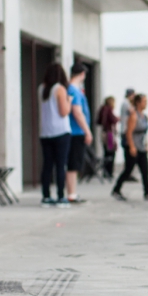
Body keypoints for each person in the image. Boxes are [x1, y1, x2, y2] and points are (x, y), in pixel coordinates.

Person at [112, 93, 148, 201]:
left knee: (145, 171)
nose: (146, 103)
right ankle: (116, 189)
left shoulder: (145, 117)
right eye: (144, 101)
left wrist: (146, 145)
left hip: (141, 147)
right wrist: (132, 147)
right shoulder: (133, 115)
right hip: (132, 147)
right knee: (128, 170)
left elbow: (144, 133)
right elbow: (129, 133)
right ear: (138, 103)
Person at [38, 62, 72, 208]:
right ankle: (60, 196)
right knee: (60, 165)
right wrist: (69, 102)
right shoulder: (60, 89)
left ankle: (46, 196)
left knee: (47, 165)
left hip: (45, 132)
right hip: (60, 132)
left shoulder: (41, 88)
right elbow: (63, 112)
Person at [65, 63, 93, 204]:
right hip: (76, 132)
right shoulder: (74, 91)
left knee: (73, 164)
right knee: (73, 164)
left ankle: (72, 192)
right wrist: (87, 131)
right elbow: (77, 112)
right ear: (82, 74)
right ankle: (72, 193)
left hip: (75, 131)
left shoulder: (72, 89)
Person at [97, 96, 118, 178]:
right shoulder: (108, 109)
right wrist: (117, 118)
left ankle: (106, 171)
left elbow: (98, 121)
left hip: (104, 132)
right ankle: (109, 171)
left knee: (106, 152)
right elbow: (113, 119)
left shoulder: (102, 109)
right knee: (111, 152)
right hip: (108, 133)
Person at [118, 87, 136, 182]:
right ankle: (127, 172)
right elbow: (132, 111)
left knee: (128, 155)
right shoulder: (126, 103)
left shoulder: (125, 103)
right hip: (126, 130)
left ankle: (129, 172)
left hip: (125, 130)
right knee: (128, 154)